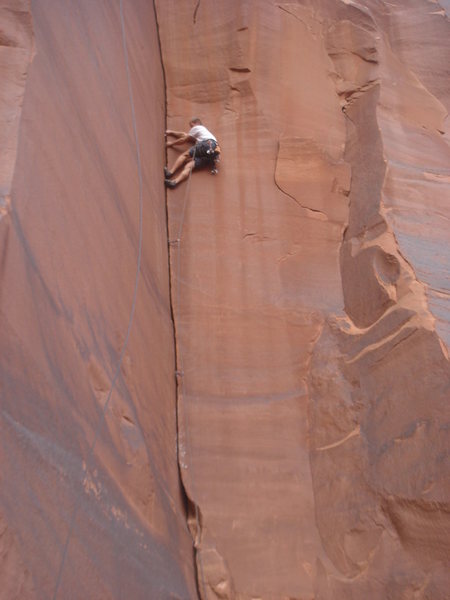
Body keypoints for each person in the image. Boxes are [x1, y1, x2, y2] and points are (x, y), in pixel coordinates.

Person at [164, 118, 220, 188]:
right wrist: (171, 132)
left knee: (185, 155)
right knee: (189, 166)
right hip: (213, 154)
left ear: (196, 123)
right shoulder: (204, 134)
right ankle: (174, 182)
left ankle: (170, 173)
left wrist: (171, 144)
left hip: (208, 145)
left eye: (191, 126)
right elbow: (184, 135)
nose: (191, 128)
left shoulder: (198, 127)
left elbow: (184, 140)